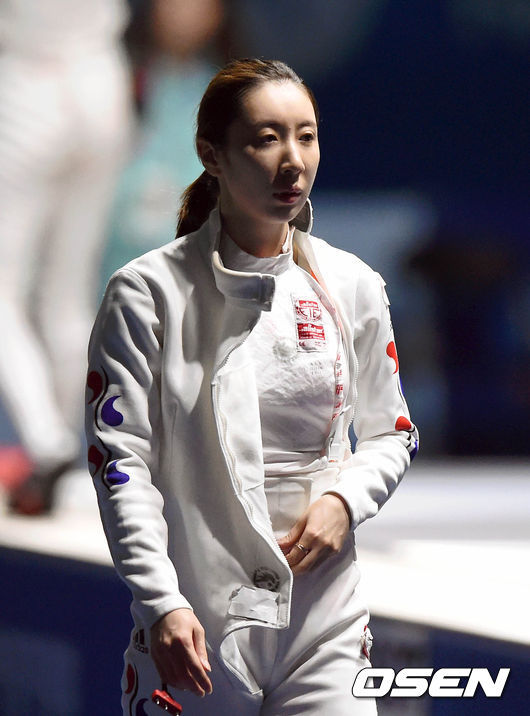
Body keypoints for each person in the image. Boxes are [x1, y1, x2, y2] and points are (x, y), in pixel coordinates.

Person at [85, 58, 418, 715]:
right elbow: (120, 462)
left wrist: (345, 501)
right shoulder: (147, 294)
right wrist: (161, 600)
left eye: (306, 136)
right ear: (211, 154)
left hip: (325, 622)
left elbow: (393, 434)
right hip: (197, 625)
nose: (292, 160)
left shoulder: (353, 286)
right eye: (267, 139)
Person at [0, 0, 133, 513]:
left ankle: (48, 443)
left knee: (6, 290)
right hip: (101, 84)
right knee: (67, 296)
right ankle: (84, 457)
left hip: (31, 82)